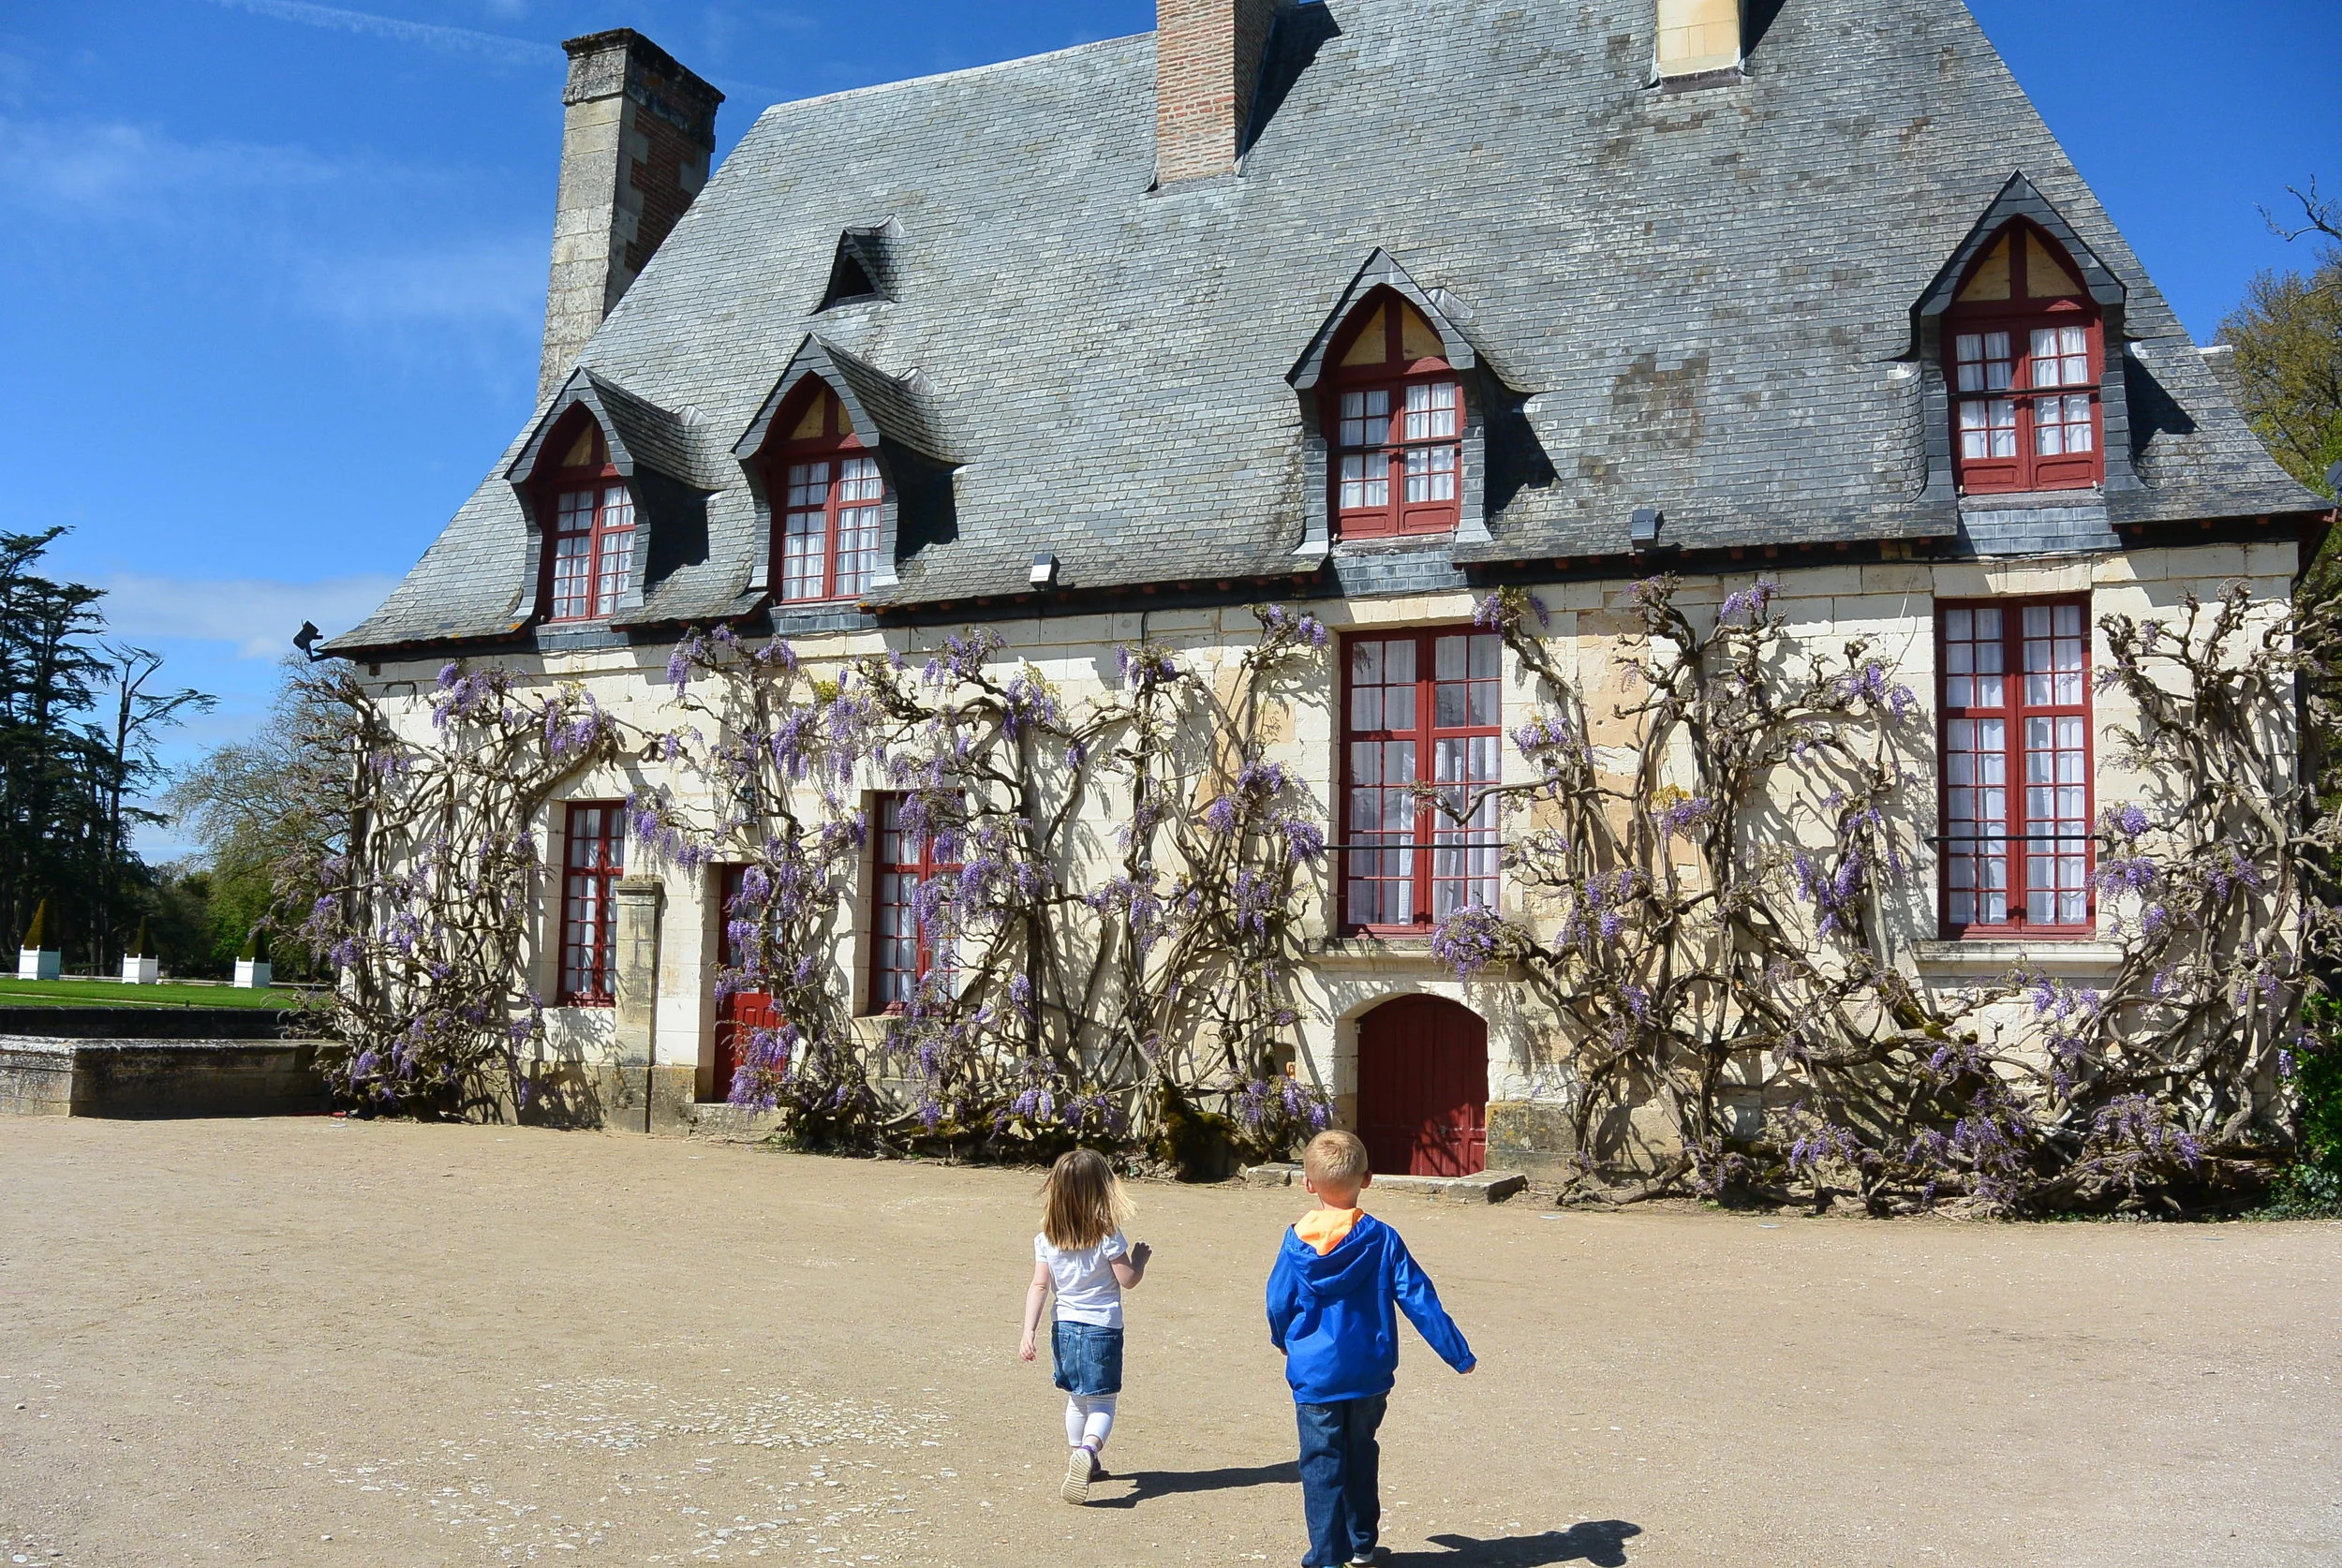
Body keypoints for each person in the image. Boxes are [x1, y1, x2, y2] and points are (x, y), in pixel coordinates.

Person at [1266, 1130, 1475, 1568]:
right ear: (1368, 1179)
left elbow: (1277, 1299)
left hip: (1315, 1374)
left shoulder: (1294, 1241)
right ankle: (1361, 1546)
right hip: (1367, 1372)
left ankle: (1326, 1555)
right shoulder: (1382, 1238)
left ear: (1308, 1184)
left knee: (1321, 1462)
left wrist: (1282, 1338)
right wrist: (1457, 1353)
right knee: (1361, 1454)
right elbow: (1419, 1297)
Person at [1019, 1146, 1152, 1505]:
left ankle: (1079, 1457)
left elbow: (1039, 1286)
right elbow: (1127, 1280)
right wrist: (1138, 1260)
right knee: (1104, 1404)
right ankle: (1089, 1451)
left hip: (1063, 1328)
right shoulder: (1107, 1233)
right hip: (1101, 1328)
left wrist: (1028, 1331)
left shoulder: (1047, 1236)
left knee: (1077, 1401)